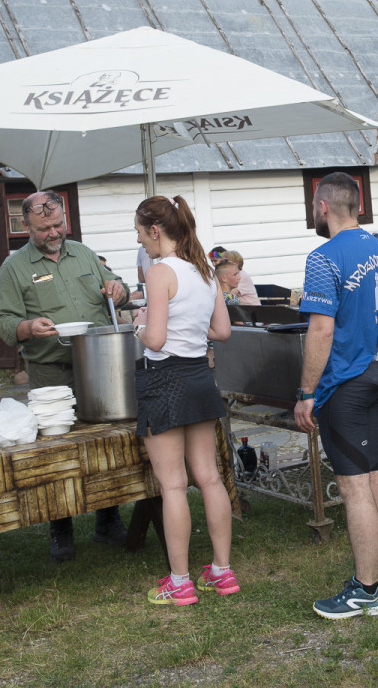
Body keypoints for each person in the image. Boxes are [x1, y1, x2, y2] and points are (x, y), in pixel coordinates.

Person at [0, 190, 131, 562]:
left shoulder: (83, 253)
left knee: (105, 443)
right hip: (50, 368)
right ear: (26, 225)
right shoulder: (14, 267)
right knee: (55, 451)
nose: (53, 233)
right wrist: (26, 327)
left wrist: (118, 289)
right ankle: (60, 528)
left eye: (58, 225)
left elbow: (118, 288)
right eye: (44, 228)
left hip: (98, 363)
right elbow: (2, 323)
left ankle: (108, 518)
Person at [294, 173, 378, 618]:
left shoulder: (323, 258)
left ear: (322, 207)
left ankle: (366, 588)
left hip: (344, 383)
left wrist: (305, 392)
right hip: (376, 374)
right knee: (373, 475)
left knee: (355, 486)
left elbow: (321, 329)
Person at [132, 195, 237, 606]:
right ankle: (222, 572)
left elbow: (155, 340)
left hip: (165, 379)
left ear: (155, 231)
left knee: (173, 485)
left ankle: (180, 581)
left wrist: (139, 326)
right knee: (209, 478)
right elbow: (223, 332)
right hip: (198, 377)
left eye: (141, 235)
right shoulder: (205, 271)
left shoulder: (160, 272)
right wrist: (190, 327)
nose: (141, 243)